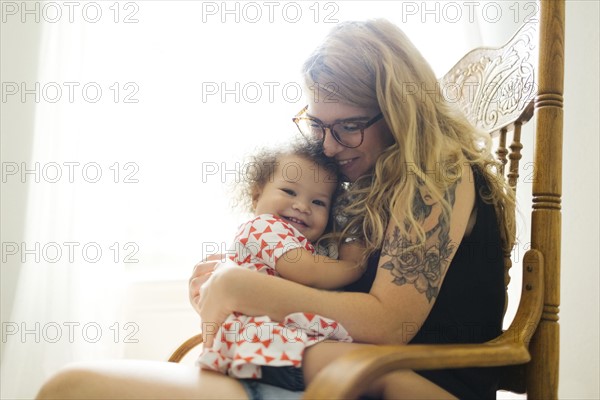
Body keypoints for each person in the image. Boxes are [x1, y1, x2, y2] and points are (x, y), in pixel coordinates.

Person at [36, 18, 516, 400]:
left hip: (403, 380)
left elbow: (390, 324)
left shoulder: (437, 175)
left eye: (347, 126)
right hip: (335, 370)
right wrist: (235, 291)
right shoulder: (362, 183)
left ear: (399, 110)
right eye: (317, 125)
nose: (328, 147)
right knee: (70, 388)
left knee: (71, 390)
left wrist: (246, 287)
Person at [197, 140, 363, 389]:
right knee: (376, 370)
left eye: (318, 202)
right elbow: (308, 272)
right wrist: (355, 265)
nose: (302, 206)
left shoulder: (305, 245)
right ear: (256, 196)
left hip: (270, 347)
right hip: (264, 344)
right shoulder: (264, 227)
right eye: (289, 191)